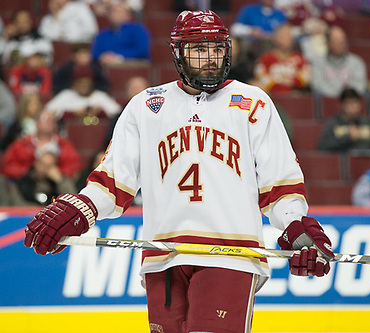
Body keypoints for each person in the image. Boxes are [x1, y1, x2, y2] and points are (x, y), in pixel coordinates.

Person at [23, 10, 334, 333]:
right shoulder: (145, 106)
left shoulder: (253, 102)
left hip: (230, 253)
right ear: (178, 52)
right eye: (199, 49)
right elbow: (113, 183)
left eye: (216, 48)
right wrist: (80, 209)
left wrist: (295, 224)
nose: (210, 58)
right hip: (163, 257)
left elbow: (280, 185)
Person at [1, 110, 81, 180]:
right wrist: (31, 172)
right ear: (36, 124)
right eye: (45, 119)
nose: (48, 122)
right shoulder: (22, 144)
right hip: (26, 185)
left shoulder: (64, 145)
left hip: (55, 185)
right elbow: (7, 166)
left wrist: (58, 172)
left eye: (51, 120)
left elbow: (75, 168)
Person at [302, 25, 367, 97]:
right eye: (336, 40)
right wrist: (339, 94)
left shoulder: (356, 62)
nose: (341, 44)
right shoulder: (317, 62)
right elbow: (317, 85)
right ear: (328, 43)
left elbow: (359, 87)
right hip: (326, 101)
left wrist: (344, 96)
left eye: (343, 40)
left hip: (349, 101)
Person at [45, 65, 121, 121]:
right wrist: (72, 114)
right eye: (80, 83)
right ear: (74, 84)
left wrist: (101, 112)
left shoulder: (100, 96)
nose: (83, 86)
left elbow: (118, 115)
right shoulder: (66, 95)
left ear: (92, 84)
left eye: (86, 83)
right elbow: (47, 113)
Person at [252, 23, 311, 94]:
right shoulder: (265, 58)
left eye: (289, 35)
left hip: (295, 97)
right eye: (283, 35)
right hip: (271, 96)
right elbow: (261, 77)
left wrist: (292, 82)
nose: (286, 38)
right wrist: (280, 84)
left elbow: (306, 78)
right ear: (275, 38)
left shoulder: (301, 59)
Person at [91, 2, 151, 66]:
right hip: (107, 67)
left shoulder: (138, 30)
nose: (114, 14)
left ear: (127, 15)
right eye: (112, 12)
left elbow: (142, 49)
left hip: (133, 65)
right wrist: (103, 57)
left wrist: (118, 57)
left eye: (118, 12)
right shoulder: (103, 34)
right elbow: (95, 52)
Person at [9, 151, 78, 206]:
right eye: (42, 164)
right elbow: (18, 205)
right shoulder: (22, 183)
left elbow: (73, 202)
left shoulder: (58, 183)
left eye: (49, 166)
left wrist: (60, 180)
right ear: (35, 163)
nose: (44, 169)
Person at [318, 88, 370, 152]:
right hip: (342, 160)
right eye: (349, 103)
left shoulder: (367, 123)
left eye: (356, 103)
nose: (353, 107)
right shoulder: (333, 124)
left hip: (366, 160)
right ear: (342, 105)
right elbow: (323, 146)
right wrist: (347, 138)